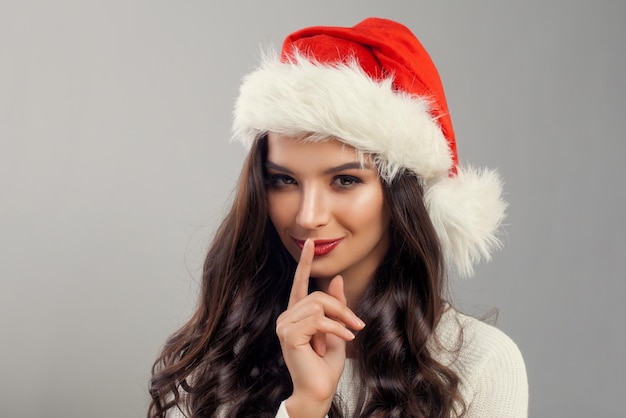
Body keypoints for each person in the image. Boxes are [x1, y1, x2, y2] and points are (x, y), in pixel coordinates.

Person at [148, 17, 528, 418]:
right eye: (284, 181)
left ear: (401, 193)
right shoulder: (221, 360)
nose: (308, 216)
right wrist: (305, 407)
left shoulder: (480, 365)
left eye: (345, 180)